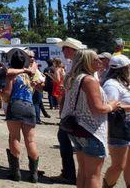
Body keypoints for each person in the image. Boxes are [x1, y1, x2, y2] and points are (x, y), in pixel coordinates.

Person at [61, 49, 120, 188]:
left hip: (77, 129)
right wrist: (112, 105)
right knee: (94, 175)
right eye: (95, 59)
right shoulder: (89, 80)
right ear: (87, 61)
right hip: (90, 130)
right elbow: (98, 108)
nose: (99, 62)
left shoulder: (73, 77)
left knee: (83, 172)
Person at [2, 48, 39, 182]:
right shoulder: (29, 75)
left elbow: (7, 95)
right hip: (29, 106)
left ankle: (15, 172)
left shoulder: (12, 75)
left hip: (16, 105)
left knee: (14, 137)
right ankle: (34, 174)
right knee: (30, 140)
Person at [54, 37, 85, 185]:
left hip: (75, 112)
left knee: (68, 141)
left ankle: (71, 174)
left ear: (71, 49)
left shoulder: (79, 66)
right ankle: (72, 173)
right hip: (71, 111)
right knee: (68, 141)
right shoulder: (73, 65)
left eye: (64, 48)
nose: (62, 51)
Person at [102, 55, 130, 188]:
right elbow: (111, 107)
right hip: (119, 126)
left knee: (128, 164)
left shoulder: (124, 83)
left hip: (126, 125)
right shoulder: (111, 84)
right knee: (119, 165)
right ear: (123, 69)